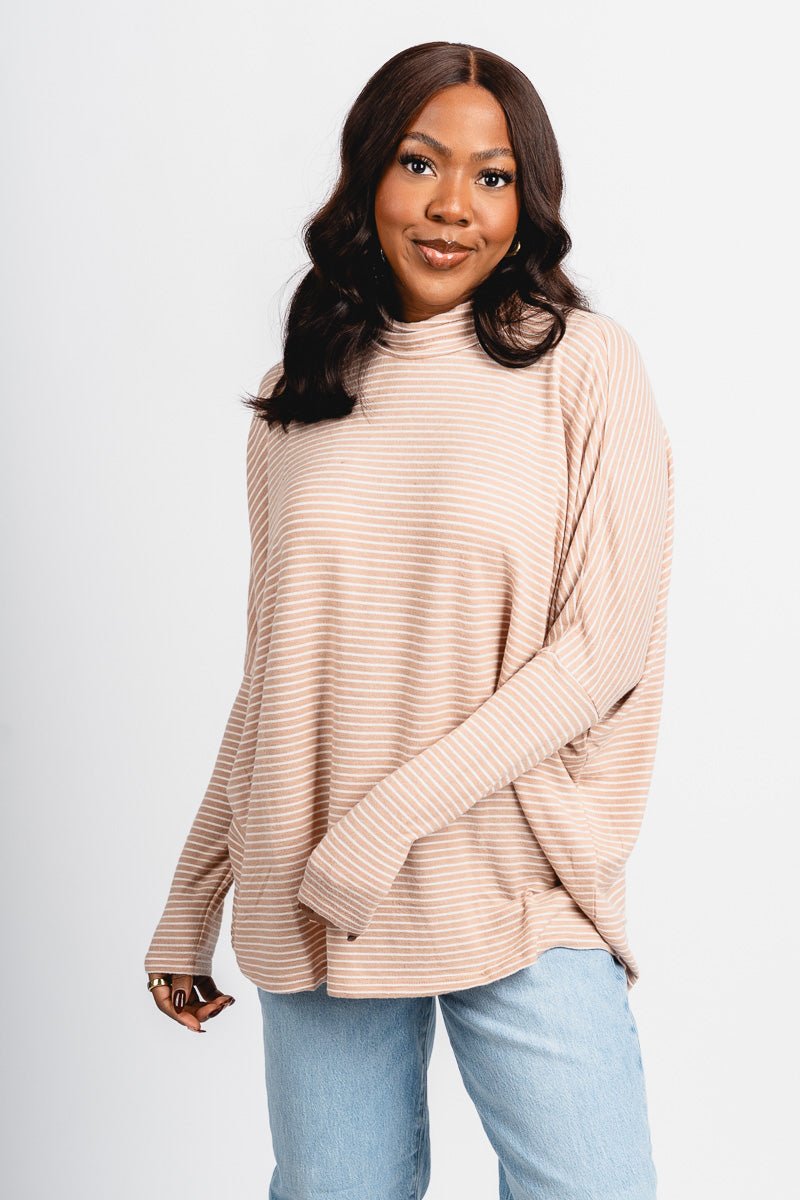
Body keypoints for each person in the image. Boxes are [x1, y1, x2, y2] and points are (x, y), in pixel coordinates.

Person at [145, 40, 673, 1200]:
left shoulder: (582, 368)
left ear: (526, 203)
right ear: (366, 176)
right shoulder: (295, 403)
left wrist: (379, 827)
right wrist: (191, 900)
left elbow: (599, 651)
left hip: (513, 882)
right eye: (418, 163)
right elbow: (273, 678)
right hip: (311, 887)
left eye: (492, 177)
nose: (451, 207)